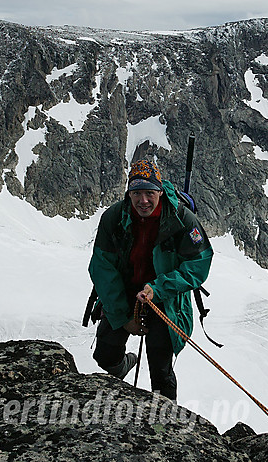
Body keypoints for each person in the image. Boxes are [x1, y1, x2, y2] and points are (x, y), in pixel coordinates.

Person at [88, 158, 213, 401]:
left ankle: (165, 420)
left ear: (160, 191)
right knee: (105, 353)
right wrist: (124, 318)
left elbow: (199, 263)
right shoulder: (114, 218)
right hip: (124, 291)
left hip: (164, 297)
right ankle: (123, 365)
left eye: (149, 192)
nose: (143, 200)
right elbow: (102, 267)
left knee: (160, 366)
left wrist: (159, 288)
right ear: (129, 193)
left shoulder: (181, 219)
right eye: (136, 193)